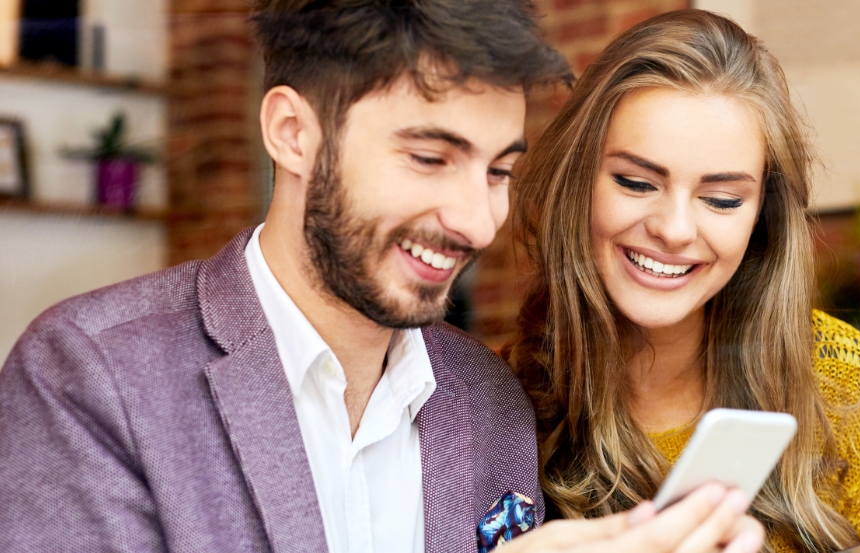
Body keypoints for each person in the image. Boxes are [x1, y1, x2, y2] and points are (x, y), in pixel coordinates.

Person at [0, 2, 764, 552]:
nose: (475, 221)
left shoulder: (490, 397)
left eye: (498, 169)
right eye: (429, 157)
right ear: (293, 134)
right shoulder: (89, 375)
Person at [506, 9, 860, 553]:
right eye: (636, 182)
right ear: (577, 182)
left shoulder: (840, 383)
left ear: (761, 217)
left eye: (722, 199)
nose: (675, 230)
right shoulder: (493, 402)